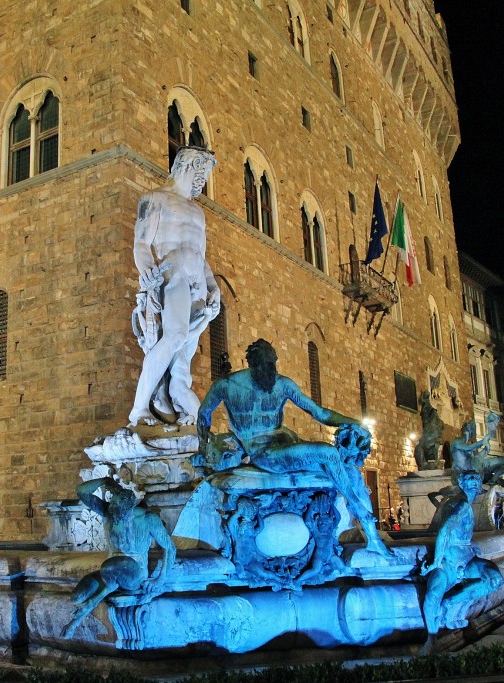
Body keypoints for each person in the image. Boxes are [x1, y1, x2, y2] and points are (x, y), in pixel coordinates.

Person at [196, 338, 393, 559]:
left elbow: (320, 414)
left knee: (347, 468)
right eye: (266, 364)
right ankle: (367, 523)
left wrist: (356, 424)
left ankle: (370, 537)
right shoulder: (227, 386)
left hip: (287, 446)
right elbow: (203, 414)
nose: (270, 370)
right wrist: (204, 448)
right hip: (265, 454)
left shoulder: (282, 384)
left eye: (272, 364)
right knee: (329, 453)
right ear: (251, 363)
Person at [128, 146, 220, 427]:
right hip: (173, 275)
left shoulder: (198, 213)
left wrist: (213, 286)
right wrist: (148, 275)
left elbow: (201, 255)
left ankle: (181, 405)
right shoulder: (155, 199)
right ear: (186, 165)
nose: (202, 180)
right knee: (175, 335)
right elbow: (142, 244)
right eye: (201, 172)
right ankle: (139, 409)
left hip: (198, 284)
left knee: (184, 355)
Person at [63, 477, 176, 638]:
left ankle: (89, 606)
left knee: (116, 564)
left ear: (127, 507)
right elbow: (81, 491)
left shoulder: (147, 519)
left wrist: (160, 579)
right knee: (77, 596)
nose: (111, 508)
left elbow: (170, 548)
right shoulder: (109, 513)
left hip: (135, 575)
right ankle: (88, 602)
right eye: (112, 503)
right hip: (110, 572)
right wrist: (105, 480)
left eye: (115, 505)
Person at [419, 471, 503, 655]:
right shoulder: (462, 504)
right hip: (449, 561)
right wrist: (436, 561)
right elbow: (444, 530)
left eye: (476, 478)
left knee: (495, 579)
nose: (474, 482)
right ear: (462, 483)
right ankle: (431, 638)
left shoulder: (464, 503)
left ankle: (449, 604)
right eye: (470, 478)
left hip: (467, 558)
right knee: (433, 594)